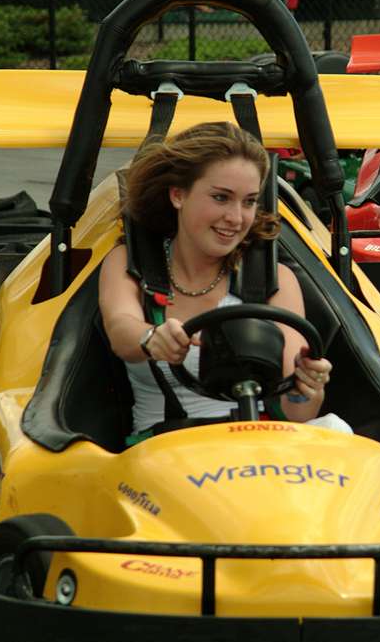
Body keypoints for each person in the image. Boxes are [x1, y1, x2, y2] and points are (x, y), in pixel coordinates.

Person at [99, 121, 349, 440]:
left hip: (259, 448)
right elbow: (121, 328)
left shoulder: (272, 281)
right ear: (178, 194)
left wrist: (306, 387)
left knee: (337, 432)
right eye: (221, 198)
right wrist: (151, 339)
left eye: (248, 202)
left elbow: (296, 413)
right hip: (166, 450)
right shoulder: (131, 265)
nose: (236, 218)